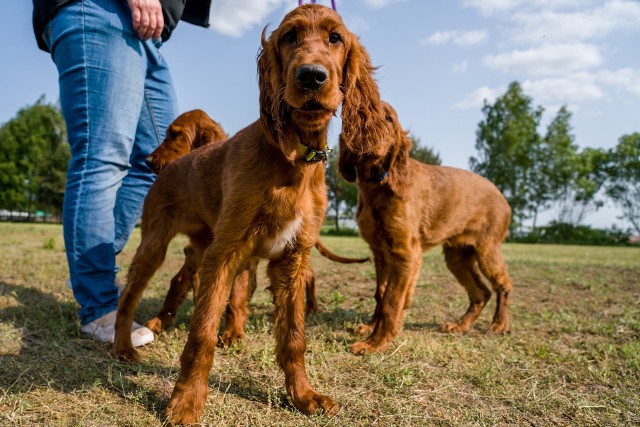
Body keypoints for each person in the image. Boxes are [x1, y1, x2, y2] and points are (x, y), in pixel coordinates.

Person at [32, 0, 212, 345]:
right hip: (99, 9)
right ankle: (98, 305)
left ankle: (91, 269)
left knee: (162, 167)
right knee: (103, 154)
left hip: (149, 32)